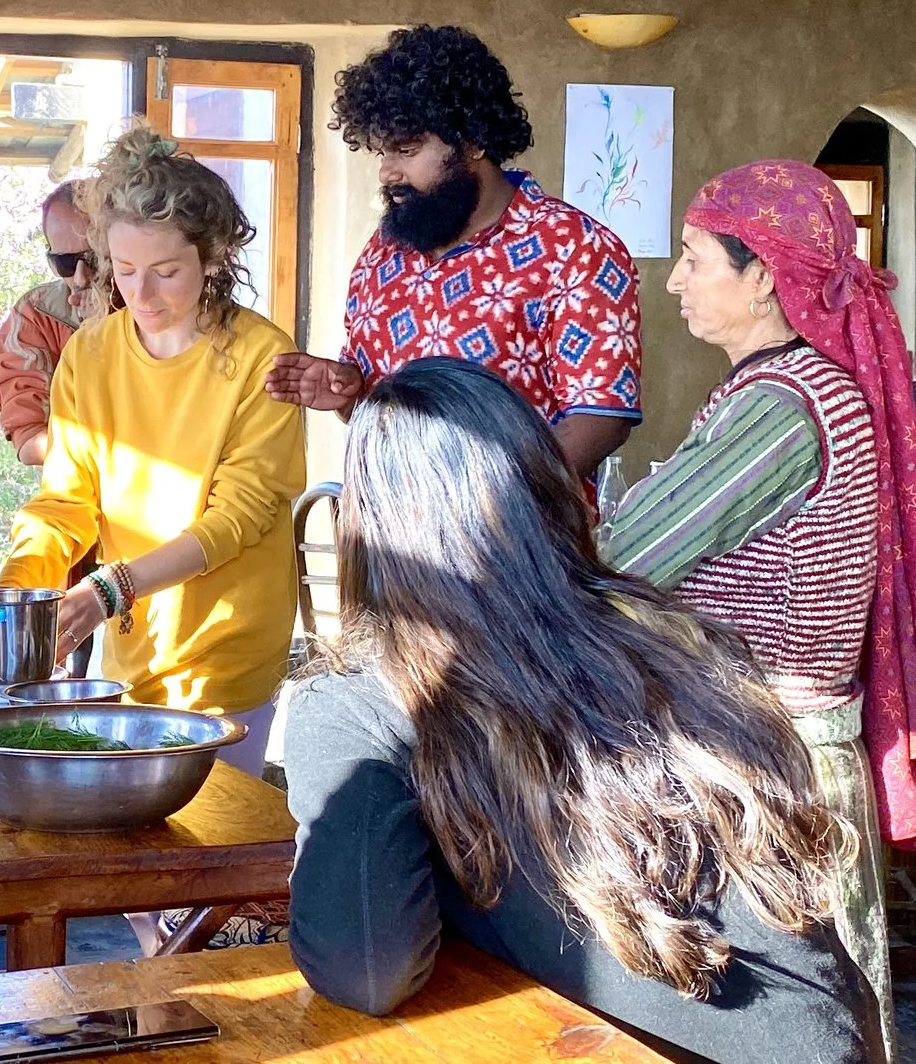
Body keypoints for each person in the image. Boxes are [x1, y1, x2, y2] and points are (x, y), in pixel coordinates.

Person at [285, 358, 882, 1064]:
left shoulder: (361, 699)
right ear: (546, 489)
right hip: (833, 1037)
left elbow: (366, 970)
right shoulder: (663, 635)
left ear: (368, 526)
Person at [596, 161, 916, 1055]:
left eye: (692, 257)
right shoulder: (796, 388)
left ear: (761, 274)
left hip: (774, 771)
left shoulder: (783, 408)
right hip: (776, 759)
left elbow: (622, 555)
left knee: (790, 1028)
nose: (675, 278)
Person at [0, 124, 305, 776]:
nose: (143, 295)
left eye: (166, 272)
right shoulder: (90, 352)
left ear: (213, 256)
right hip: (132, 652)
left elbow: (237, 519)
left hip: (229, 651)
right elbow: (66, 500)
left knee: (211, 850)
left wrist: (111, 588)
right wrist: (15, 591)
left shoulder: (263, 357)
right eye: (126, 271)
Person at [264, 24, 641, 480]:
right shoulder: (382, 256)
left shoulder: (574, 248)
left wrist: (502, 501)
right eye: (382, 153)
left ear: (473, 141)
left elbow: (601, 415)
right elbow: (382, 408)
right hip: (394, 538)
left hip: (518, 542)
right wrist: (350, 395)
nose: (387, 173)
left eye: (405, 150)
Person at [0, 179, 102, 467]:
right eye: (65, 263)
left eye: (95, 259)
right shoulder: (35, 314)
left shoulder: (158, 304)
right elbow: (30, 439)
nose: (80, 278)